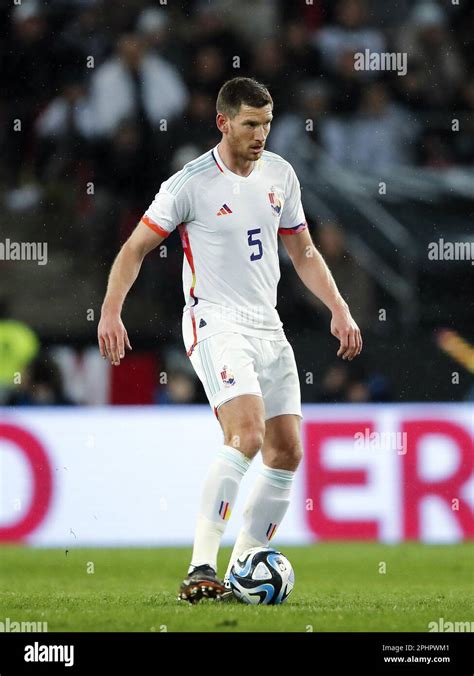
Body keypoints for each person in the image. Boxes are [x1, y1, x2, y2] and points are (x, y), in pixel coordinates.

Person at [97, 77, 362, 603]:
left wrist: (338, 307)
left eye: (266, 123)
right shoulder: (189, 184)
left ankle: (245, 562)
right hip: (214, 322)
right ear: (223, 122)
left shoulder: (281, 175)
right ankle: (200, 567)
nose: (261, 134)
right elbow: (134, 250)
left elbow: (303, 251)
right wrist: (110, 312)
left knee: (286, 451)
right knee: (247, 435)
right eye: (250, 124)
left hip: (269, 325)